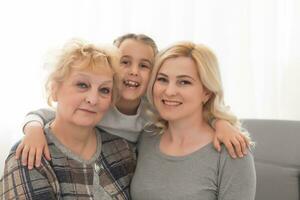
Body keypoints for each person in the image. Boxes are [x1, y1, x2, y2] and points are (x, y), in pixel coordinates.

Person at [16, 34, 249, 171]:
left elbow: (199, 109)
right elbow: (49, 113)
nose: (134, 72)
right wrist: (33, 129)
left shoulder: (155, 106)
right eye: (125, 62)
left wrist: (222, 125)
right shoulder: (99, 104)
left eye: (144, 66)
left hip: (128, 170)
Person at [0, 39, 135, 199]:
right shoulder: (29, 156)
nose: (93, 99)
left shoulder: (122, 150)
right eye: (82, 85)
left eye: (104, 90)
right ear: (54, 89)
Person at [130, 41, 256, 200]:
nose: (169, 91)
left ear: (207, 92)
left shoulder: (232, 151)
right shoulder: (146, 137)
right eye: (162, 79)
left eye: (184, 82)